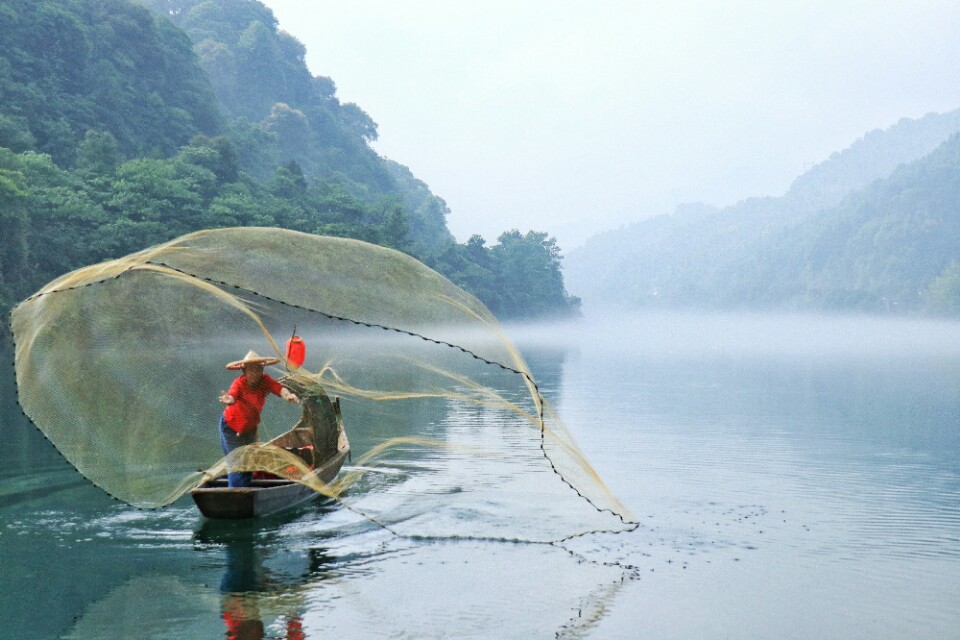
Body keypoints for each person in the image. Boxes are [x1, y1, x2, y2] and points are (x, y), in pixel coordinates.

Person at [218, 350, 300, 487]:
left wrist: (288, 396)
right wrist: (229, 400)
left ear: (262, 370)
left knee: (250, 464)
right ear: (244, 371)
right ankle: (236, 495)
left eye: (257, 369)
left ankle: (246, 494)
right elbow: (232, 396)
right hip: (231, 429)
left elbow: (279, 388)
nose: (254, 373)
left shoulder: (265, 381)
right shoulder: (239, 383)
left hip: (249, 430)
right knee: (237, 466)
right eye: (251, 370)